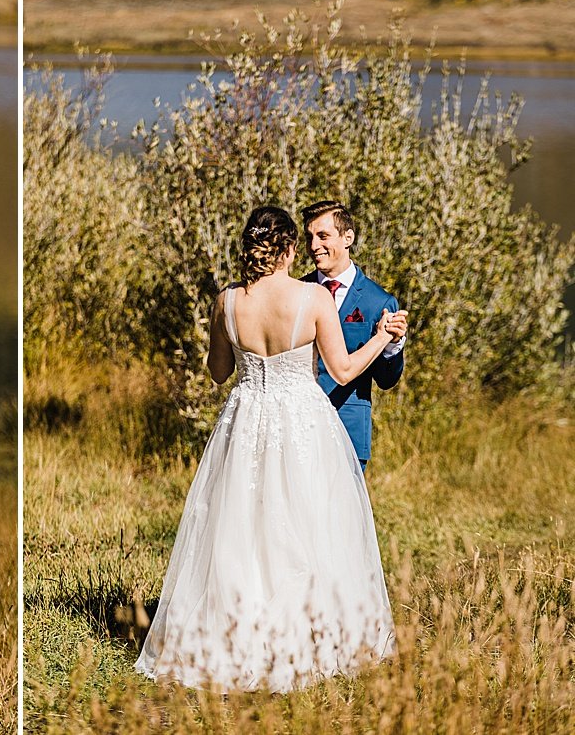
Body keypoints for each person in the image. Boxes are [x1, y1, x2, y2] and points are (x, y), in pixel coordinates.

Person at [134, 205, 399, 693]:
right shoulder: (313, 298)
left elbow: (217, 372)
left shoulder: (227, 301)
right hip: (303, 423)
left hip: (246, 420)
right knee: (310, 525)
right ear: (291, 249)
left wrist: (234, 339)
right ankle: (312, 640)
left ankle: (235, 636)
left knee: (240, 525)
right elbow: (341, 371)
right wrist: (382, 336)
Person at [300, 199, 407, 467]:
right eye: (310, 237)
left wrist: (393, 345)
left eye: (323, 236)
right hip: (297, 428)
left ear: (348, 237)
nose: (314, 246)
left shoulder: (378, 301)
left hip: (348, 430)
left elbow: (386, 380)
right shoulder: (296, 292)